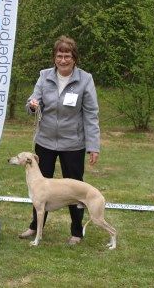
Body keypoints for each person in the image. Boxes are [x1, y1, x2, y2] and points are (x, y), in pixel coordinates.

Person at [19, 35, 100, 245]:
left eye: (67, 56)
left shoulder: (85, 79)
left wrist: (93, 146)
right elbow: (32, 102)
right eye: (59, 55)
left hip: (73, 144)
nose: (63, 60)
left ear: (75, 58)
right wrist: (33, 105)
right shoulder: (44, 76)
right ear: (54, 57)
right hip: (44, 141)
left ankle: (76, 232)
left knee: (75, 189)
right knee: (39, 188)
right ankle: (35, 227)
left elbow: (91, 114)